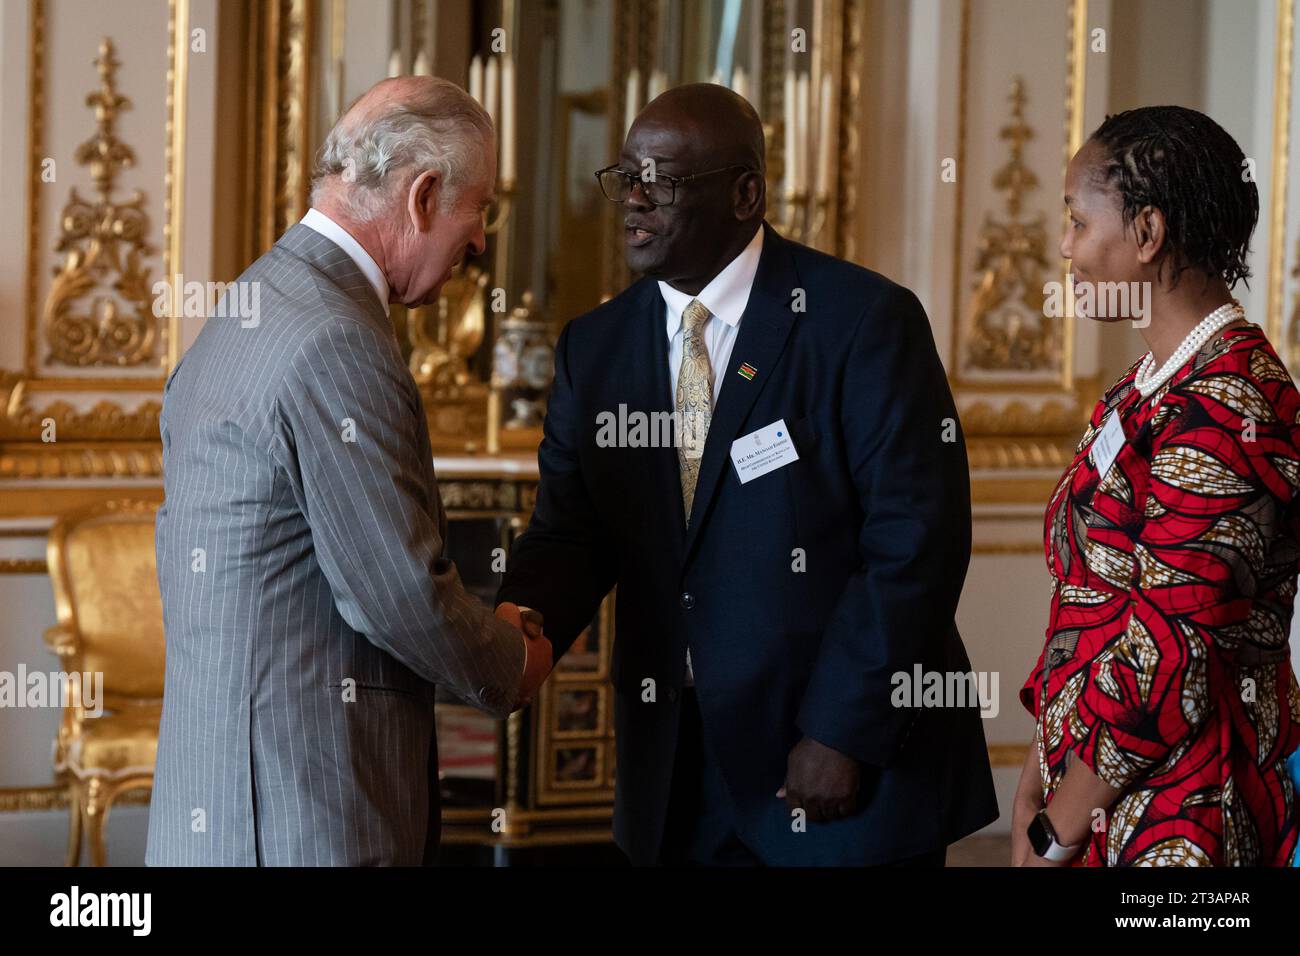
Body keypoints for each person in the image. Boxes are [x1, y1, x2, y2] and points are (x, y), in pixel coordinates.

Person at [498, 84, 998, 866]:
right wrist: (508, 639)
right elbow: (570, 533)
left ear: (745, 193)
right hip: (673, 765)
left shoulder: (861, 321)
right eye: (625, 175)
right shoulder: (593, 348)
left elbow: (915, 542)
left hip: (834, 759)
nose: (633, 199)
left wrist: (841, 729)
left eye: (660, 180)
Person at [147, 77, 551, 866]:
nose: (479, 242)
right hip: (299, 815)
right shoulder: (336, 339)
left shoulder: (251, 302)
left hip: (221, 801)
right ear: (424, 197)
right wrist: (514, 663)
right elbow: (397, 594)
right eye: (480, 210)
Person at [1015, 105, 1300, 867]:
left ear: (1147, 234)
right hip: (1101, 792)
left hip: (1189, 814)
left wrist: (1053, 832)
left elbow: (1169, 657)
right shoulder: (1146, 387)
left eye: (1078, 221)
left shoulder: (1226, 403)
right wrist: (1038, 774)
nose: (1065, 248)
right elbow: (1086, 601)